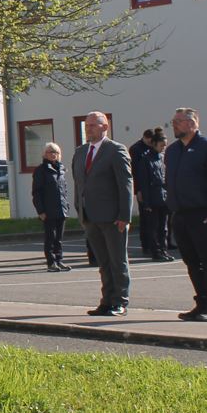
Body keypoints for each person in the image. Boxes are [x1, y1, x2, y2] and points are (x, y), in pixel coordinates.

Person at [165, 107, 207, 322]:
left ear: (193, 124)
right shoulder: (173, 150)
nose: (174, 124)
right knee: (191, 262)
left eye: (179, 121)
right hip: (180, 214)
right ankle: (201, 303)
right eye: (174, 121)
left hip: (202, 213)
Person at [71, 111, 133, 317]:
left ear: (105, 127)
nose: (88, 129)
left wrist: (125, 215)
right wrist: (79, 208)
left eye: (93, 125)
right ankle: (106, 300)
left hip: (113, 217)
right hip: (90, 216)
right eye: (86, 125)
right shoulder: (80, 152)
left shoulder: (115, 150)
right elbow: (78, 182)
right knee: (103, 262)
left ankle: (120, 301)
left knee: (117, 261)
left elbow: (125, 184)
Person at [31, 142, 70, 271]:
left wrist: (67, 205)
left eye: (56, 152)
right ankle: (51, 262)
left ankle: (59, 260)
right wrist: (40, 210)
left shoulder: (61, 169)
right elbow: (36, 192)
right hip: (48, 210)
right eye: (51, 152)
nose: (54, 155)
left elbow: (63, 189)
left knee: (59, 238)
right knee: (50, 237)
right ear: (45, 154)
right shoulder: (41, 170)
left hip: (61, 209)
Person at [137, 129, 172, 261]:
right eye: (162, 145)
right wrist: (146, 202)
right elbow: (144, 182)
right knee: (153, 227)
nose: (164, 148)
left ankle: (163, 250)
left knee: (164, 227)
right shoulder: (145, 160)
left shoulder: (162, 159)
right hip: (152, 198)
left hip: (163, 197)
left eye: (165, 145)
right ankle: (155, 252)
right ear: (154, 144)